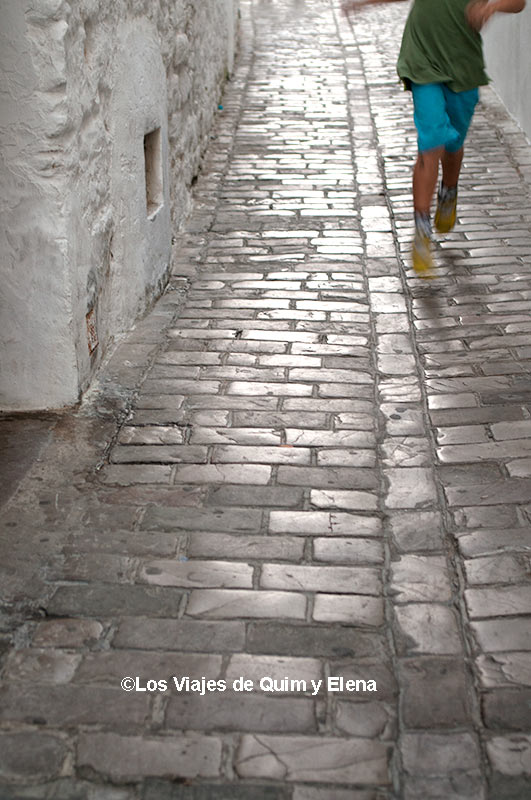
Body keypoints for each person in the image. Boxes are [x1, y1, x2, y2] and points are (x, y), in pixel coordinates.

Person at [341, 0, 527, 276]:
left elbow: (518, 3)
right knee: (432, 142)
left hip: (463, 65)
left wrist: (491, 7)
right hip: (421, 60)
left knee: (453, 144)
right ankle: (421, 234)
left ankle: (448, 192)